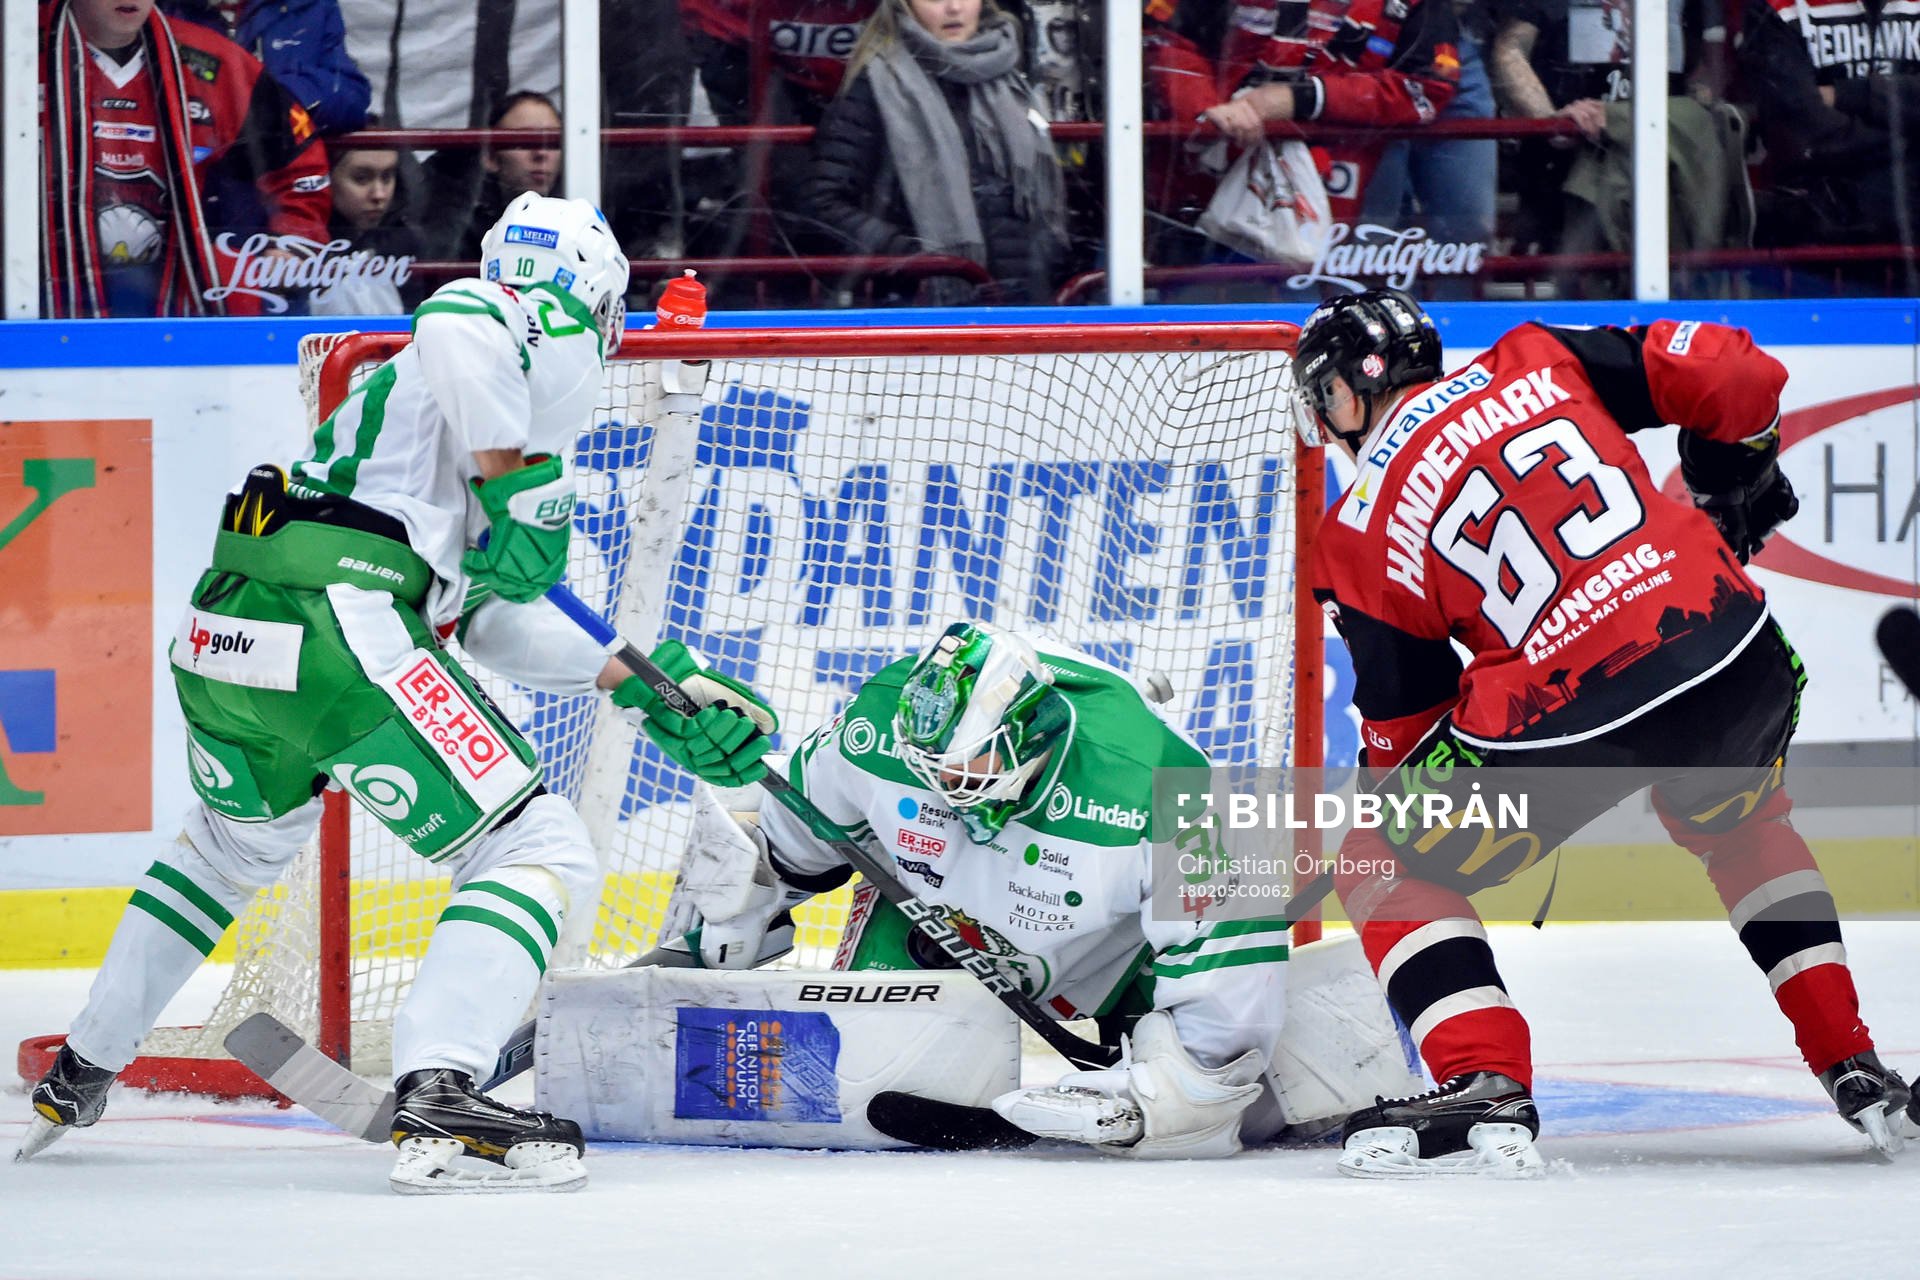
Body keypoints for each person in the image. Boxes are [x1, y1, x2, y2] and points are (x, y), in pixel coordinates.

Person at [16, 196, 776, 1193]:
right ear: (600, 296)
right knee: (535, 845)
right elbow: (462, 315)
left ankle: (84, 1064)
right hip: (341, 611)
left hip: (230, 625)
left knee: (229, 846)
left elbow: (491, 618)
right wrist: (516, 476)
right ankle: (442, 1083)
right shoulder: (518, 329)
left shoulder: (435, 409)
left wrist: (638, 685)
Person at [1291, 287, 1916, 1177]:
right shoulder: (1539, 355)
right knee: (1743, 822)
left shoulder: (1354, 531)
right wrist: (1729, 476)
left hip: (1567, 713)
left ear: (1345, 397)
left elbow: (1406, 731)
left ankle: (1484, 1077)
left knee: (1376, 853)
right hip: (1735, 653)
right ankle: (1852, 1063)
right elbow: (1739, 373)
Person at [659, 622, 1406, 1157]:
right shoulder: (878, 727)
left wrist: (1190, 1088)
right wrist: (729, 915)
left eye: (966, 772)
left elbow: (1229, 950)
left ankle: (1151, 1032)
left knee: (1262, 1094)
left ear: (1030, 735)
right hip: (934, 912)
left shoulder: (1164, 786)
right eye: (932, 772)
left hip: (1109, 954)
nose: (946, 791)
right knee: (868, 1089)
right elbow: (791, 840)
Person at [40, 0, 332, 317]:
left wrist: (291, 244)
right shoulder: (21, 52)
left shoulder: (213, 63)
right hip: (40, 296)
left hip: (184, 303)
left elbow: (299, 166)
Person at [799, 0, 1069, 304]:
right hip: (922, 309)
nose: (953, 8)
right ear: (904, 6)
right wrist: (911, 257)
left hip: (1026, 304)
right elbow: (823, 202)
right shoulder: (877, 83)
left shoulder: (1011, 71)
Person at [1199, 0, 1461, 224]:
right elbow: (1171, 41)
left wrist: (1302, 98)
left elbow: (1427, 88)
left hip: (1348, 155)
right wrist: (1204, 110)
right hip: (1220, 153)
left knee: (1361, 254)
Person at [1735, 0, 1920, 289]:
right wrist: (1909, 134)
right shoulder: (1778, 8)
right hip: (1815, 243)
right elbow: (1803, 134)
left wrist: (1847, 94)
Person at [162, 0, 372, 135]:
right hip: (194, 174)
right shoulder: (159, 10)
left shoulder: (310, 6)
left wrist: (273, 97)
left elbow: (350, 99)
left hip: (283, 175)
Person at [416, 91, 564, 266]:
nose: (541, 153)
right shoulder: (458, 224)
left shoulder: (582, 201)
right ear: (490, 157)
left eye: (553, 142)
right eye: (525, 141)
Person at [309, 142, 425, 314]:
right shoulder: (301, 245)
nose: (379, 194)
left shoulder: (407, 243)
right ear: (327, 178)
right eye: (361, 178)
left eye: (387, 177)